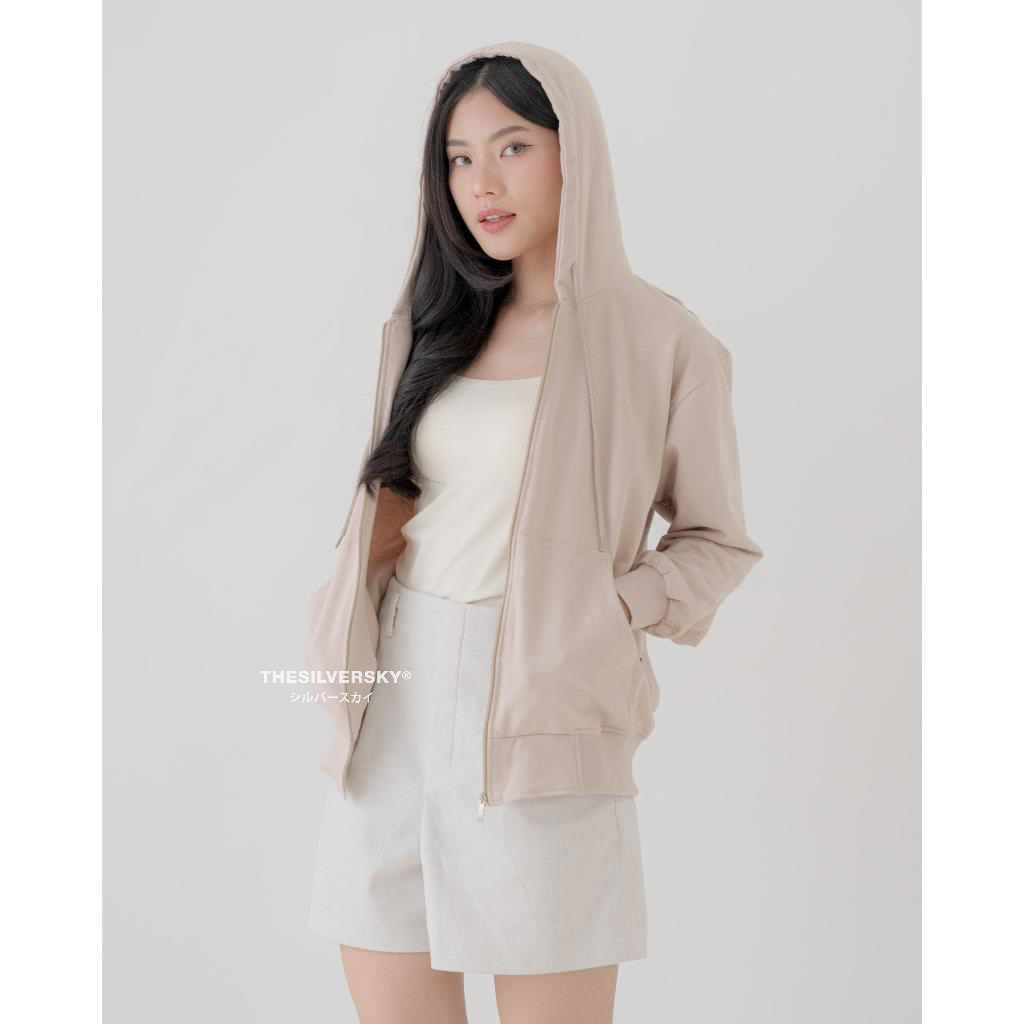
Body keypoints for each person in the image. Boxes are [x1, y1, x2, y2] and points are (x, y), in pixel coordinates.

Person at [305, 40, 764, 1024]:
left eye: (512, 147)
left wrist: (611, 607)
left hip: (542, 724)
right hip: (392, 711)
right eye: (459, 158)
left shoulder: (660, 339)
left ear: (573, 151)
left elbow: (717, 539)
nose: (482, 183)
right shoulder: (428, 327)